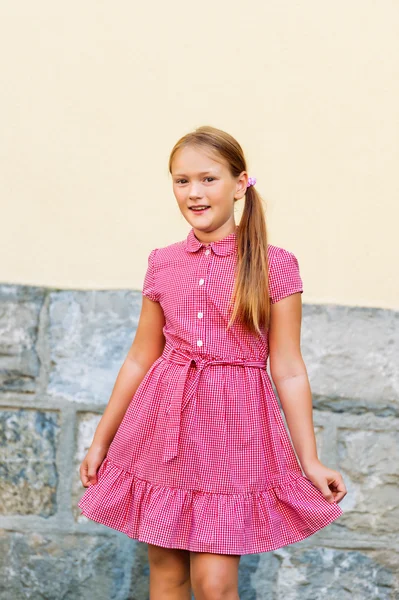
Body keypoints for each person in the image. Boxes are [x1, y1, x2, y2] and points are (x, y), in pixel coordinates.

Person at [78, 125, 347, 599]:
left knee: (215, 582)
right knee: (165, 572)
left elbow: (287, 367)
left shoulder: (274, 264)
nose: (194, 193)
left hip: (234, 433)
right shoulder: (162, 262)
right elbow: (142, 357)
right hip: (164, 426)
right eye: (182, 181)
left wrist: (309, 459)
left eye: (208, 179)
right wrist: (102, 439)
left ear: (241, 183)